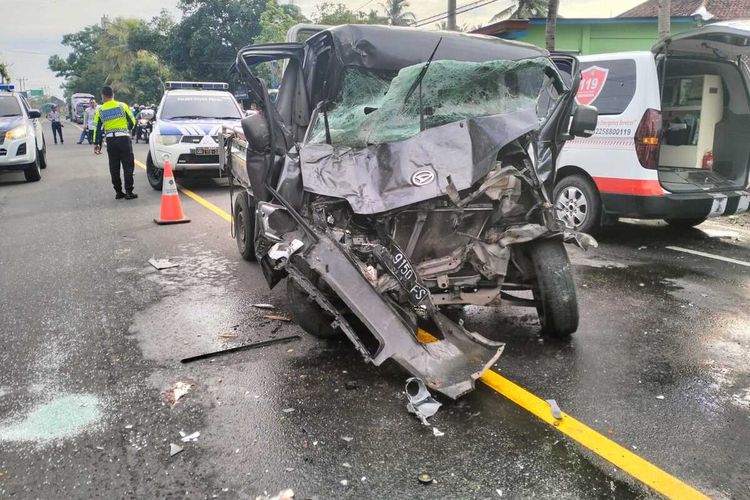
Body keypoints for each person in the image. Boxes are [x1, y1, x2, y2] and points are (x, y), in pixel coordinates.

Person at [92, 86, 137, 200]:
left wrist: (97, 143)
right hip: (124, 139)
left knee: (114, 167)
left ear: (103, 96)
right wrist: (127, 128)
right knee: (128, 166)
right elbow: (133, 121)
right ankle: (129, 192)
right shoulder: (122, 106)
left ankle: (118, 192)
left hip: (110, 140)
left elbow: (97, 128)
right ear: (113, 95)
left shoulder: (100, 110)